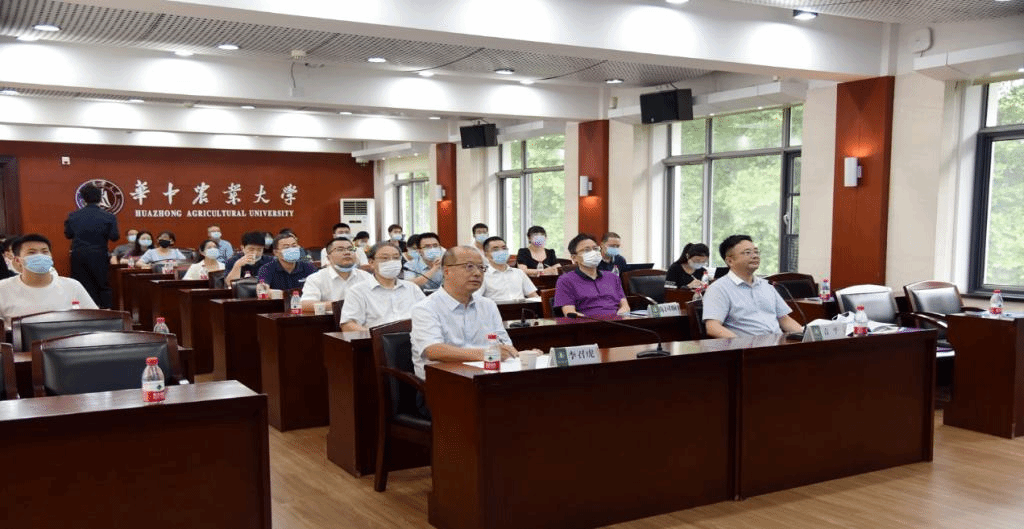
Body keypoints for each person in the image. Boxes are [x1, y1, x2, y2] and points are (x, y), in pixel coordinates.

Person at [410, 246, 520, 380]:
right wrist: (487, 354)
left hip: (486, 378)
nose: (477, 273)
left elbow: (504, 343)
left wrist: (516, 353)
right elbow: (433, 351)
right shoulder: (425, 308)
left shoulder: (488, 305)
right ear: (447, 271)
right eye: (469, 267)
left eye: (481, 268)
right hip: (444, 383)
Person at [702, 234, 804, 339]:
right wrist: (742, 344)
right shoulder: (718, 289)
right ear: (730, 261)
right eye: (747, 252)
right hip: (747, 346)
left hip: (778, 344)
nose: (755, 256)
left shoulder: (767, 285)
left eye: (756, 252)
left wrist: (806, 335)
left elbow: (784, 319)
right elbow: (713, 327)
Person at [0, 234, 97, 328]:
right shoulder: (3, 288)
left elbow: (95, 319)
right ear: (17, 260)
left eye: (45, 252)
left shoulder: (72, 285)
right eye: (32, 252)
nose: (40, 256)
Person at [340, 242, 425, 332]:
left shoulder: (412, 288)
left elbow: (428, 314)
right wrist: (375, 337)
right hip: (376, 339)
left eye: (396, 258)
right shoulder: (358, 291)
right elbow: (348, 325)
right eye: (385, 258)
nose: (391, 262)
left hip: (414, 337)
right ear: (371, 262)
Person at [63, 184, 118, 308]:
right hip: (99, 254)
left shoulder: (73, 216)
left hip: (78, 254)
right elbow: (114, 236)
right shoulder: (109, 217)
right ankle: (106, 312)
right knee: (102, 285)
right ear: (100, 198)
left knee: (80, 285)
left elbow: (68, 235)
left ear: (83, 199)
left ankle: (83, 311)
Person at [554, 233, 630, 317]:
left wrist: (620, 317)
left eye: (595, 249)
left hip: (616, 321)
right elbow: (569, 312)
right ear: (574, 257)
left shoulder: (612, 277)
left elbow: (625, 306)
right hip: (587, 323)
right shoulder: (565, 280)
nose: (593, 253)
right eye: (587, 250)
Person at [301, 236, 372, 311]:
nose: (347, 253)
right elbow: (306, 305)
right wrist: (340, 305)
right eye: (340, 250)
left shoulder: (366, 277)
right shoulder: (316, 278)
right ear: (328, 258)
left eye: (351, 249)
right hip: (331, 318)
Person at [481, 236, 539, 301]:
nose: (501, 252)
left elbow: (534, 296)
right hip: (496, 307)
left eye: (504, 248)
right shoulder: (482, 275)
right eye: (496, 250)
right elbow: (476, 299)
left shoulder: (519, 273)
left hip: (521, 306)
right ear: (486, 254)